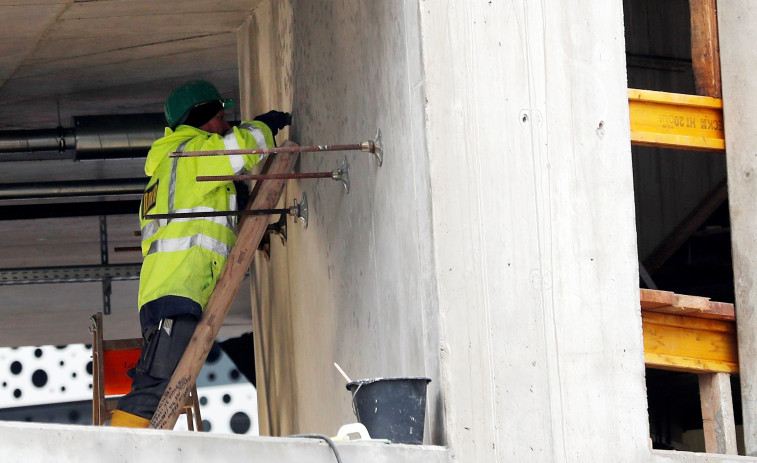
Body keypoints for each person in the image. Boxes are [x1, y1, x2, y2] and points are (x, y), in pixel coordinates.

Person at [110, 80, 291, 428]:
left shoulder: (170, 167)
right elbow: (242, 146)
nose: (227, 125)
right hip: (177, 295)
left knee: (159, 389)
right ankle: (115, 452)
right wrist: (264, 124)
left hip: (170, 294)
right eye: (222, 118)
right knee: (154, 391)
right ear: (202, 119)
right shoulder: (191, 155)